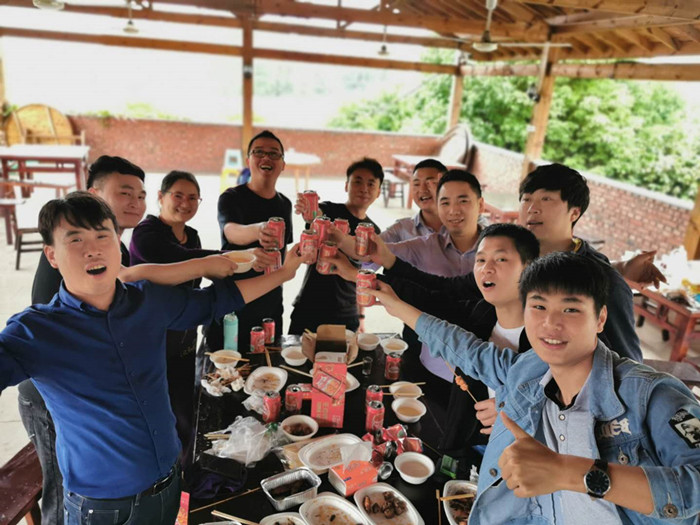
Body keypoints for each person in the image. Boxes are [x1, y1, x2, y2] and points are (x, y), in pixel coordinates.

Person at [1, 192, 308, 524]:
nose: (93, 249)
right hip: (103, 508)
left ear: (118, 244)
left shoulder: (146, 301)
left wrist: (285, 273)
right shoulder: (36, 331)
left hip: (168, 486)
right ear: (52, 255)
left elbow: (215, 301)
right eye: (75, 239)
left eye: (102, 236)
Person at [371, 252, 700, 524]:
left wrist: (569, 472)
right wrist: (393, 304)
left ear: (600, 318)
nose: (550, 323)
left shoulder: (652, 397)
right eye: (539, 306)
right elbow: (465, 349)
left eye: (570, 309)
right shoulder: (527, 371)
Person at [129, 170, 222, 470]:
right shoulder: (145, 233)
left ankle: (183, 474)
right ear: (160, 196)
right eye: (178, 195)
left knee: (184, 408)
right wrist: (221, 259)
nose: (185, 203)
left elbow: (193, 282)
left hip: (184, 338)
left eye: (192, 198)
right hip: (151, 340)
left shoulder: (191, 236)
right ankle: (161, 473)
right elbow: (176, 259)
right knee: (158, 411)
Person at [213, 130, 292, 350]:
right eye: (258, 152)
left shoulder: (285, 204)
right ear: (248, 161)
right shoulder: (231, 197)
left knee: (269, 363)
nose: (266, 157)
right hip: (234, 304)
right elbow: (231, 231)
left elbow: (284, 251)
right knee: (228, 366)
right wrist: (258, 231)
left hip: (271, 305)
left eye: (274, 154)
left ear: (283, 165)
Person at [289, 157, 383, 333]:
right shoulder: (329, 210)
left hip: (346, 313)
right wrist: (308, 209)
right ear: (346, 186)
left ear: (378, 192)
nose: (364, 188)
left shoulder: (374, 231)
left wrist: (361, 316)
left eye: (371, 184)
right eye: (357, 181)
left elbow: (363, 276)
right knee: (296, 350)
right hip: (310, 305)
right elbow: (316, 215)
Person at [380, 158, 446, 243]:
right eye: (416, 184)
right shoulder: (401, 230)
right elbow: (371, 246)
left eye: (430, 183)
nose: (422, 189)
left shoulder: (460, 227)